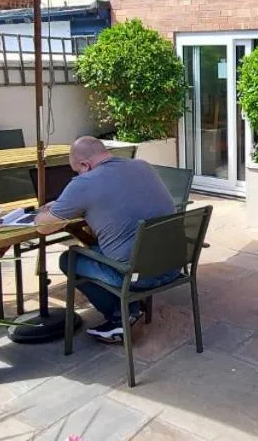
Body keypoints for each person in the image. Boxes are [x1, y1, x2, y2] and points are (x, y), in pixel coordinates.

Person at [35, 136, 179, 344]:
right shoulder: (143, 166)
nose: (77, 175)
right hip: (173, 265)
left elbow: (43, 227)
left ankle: (121, 317)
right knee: (95, 247)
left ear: (85, 165)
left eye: (77, 170)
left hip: (139, 277)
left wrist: (46, 210)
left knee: (69, 259)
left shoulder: (84, 183)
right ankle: (129, 310)